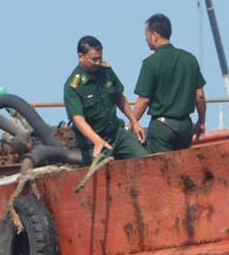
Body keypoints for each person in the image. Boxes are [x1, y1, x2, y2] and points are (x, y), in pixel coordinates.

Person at [130, 13, 207, 154]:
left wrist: (132, 124)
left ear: (155, 35)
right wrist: (201, 121)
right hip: (185, 128)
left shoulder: (151, 63)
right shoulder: (189, 59)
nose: (145, 39)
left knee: (161, 170)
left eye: (146, 35)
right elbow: (200, 95)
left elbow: (144, 100)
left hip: (162, 128)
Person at [63, 35, 147, 163]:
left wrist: (134, 122)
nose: (97, 63)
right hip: (94, 142)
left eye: (100, 58)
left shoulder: (106, 71)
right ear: (81, 56)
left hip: (116, 133)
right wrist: (97, 140)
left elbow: (119, 97)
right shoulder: (73, 86)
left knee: (146, 160)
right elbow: (78, 120)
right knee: (102, 176)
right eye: (93, 59)